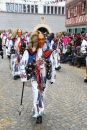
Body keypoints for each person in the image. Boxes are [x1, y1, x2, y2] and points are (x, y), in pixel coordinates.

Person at [20, 31, 56, 124]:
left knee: (41, 95)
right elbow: (22, 63)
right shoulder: (30, 51)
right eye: (39, 39)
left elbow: (52, 64)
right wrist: (24, 77)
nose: (41, 41)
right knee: (37, 94)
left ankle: (36, 109)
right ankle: (39, 114)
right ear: (36, 40)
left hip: (44, 78)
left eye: (42, 39)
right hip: (34, 77)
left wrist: (52, 77)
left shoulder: (48, 52)